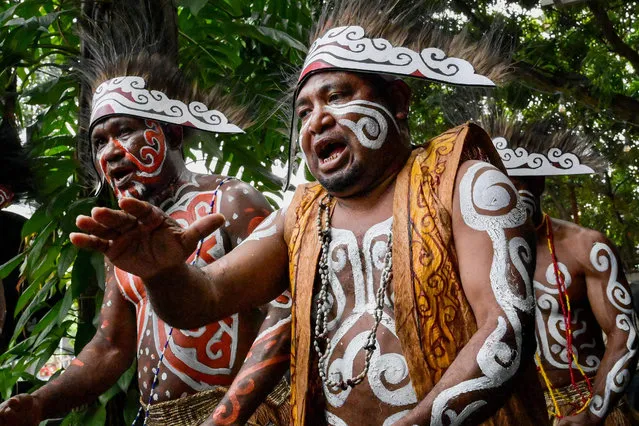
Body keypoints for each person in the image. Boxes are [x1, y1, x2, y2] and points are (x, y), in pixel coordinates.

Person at [69, 0, 550, 424]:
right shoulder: (301, 214)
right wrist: (165, 273)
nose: (316, 119)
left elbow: (504, 329)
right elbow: (205, 299)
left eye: (337, 96)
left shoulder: (467, 183)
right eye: (303, 111)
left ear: (398, 101)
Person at [0, 4, 290, 425]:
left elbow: (284, 312)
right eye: (99, 141)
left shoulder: (228, 201)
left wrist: (234, 411)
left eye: (125, 130)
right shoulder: (128, 238)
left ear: (171, 131)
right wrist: (42, 402)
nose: (110, 153)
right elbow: (111, 346)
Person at [485, 116, 638, 425]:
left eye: (514, 186)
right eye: (495, 187)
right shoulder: (477, 254)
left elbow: (625, 334)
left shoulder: (587, 248)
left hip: (586, 399)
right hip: (518, 410)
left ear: (538, 184)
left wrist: (593, 414)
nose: (503, 198)